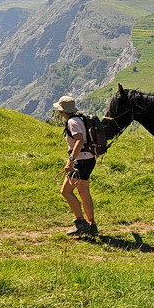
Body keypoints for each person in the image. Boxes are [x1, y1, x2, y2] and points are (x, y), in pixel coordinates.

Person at [54, 95, 98, 236]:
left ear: (62, 111)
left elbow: (79, 141)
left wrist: (70, 161)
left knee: (66, 191)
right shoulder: (81, 118)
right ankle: (91, 225)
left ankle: (81, 224)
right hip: (89, 159)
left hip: (81, 161)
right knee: (84, 192)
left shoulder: (72, 122)